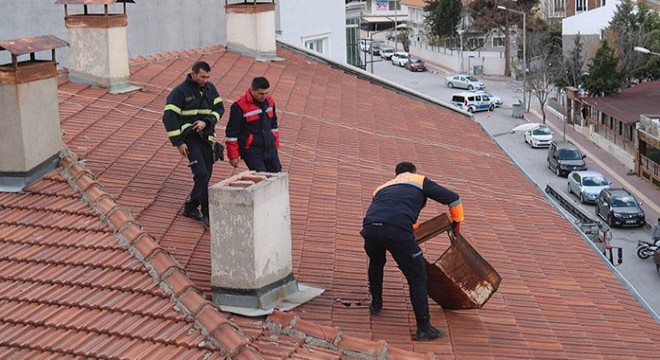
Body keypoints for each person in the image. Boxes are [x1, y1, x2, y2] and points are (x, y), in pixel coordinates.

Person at [360, 161, 464, 341]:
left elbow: (389, 211)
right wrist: (457, 222)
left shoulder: (382, 188)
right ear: (413, 172)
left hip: (370, 228)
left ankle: (376, 303)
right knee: (417, 277)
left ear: (396, 175)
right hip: (397, 230)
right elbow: (454, 198)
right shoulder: (419, 180)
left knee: (376, 263)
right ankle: (424, 328)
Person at [162, 61, 224, 227]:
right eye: (202, 76)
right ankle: (206, 213)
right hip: (189, 139)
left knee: (205, 175)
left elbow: (220, 109)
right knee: (202, 174)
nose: (205, 80)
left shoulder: (211, 89)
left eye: (208, 77)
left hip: (206, 137)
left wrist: (207, 122)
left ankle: (190, 207)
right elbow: (169, 118)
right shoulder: (179, 92)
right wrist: (178, 143)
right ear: (193, 73)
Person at [225, 76, 282, 172]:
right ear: (252, 90)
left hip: (270, 148)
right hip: (251, 150)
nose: (264, 96)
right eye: (261, 93)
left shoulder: (270, 101)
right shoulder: (239, 106)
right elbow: (231, 133)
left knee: (277, 175)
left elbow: (273, 124)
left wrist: (275, 143)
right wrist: (233, 155)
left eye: (266, 93)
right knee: (261, 178)